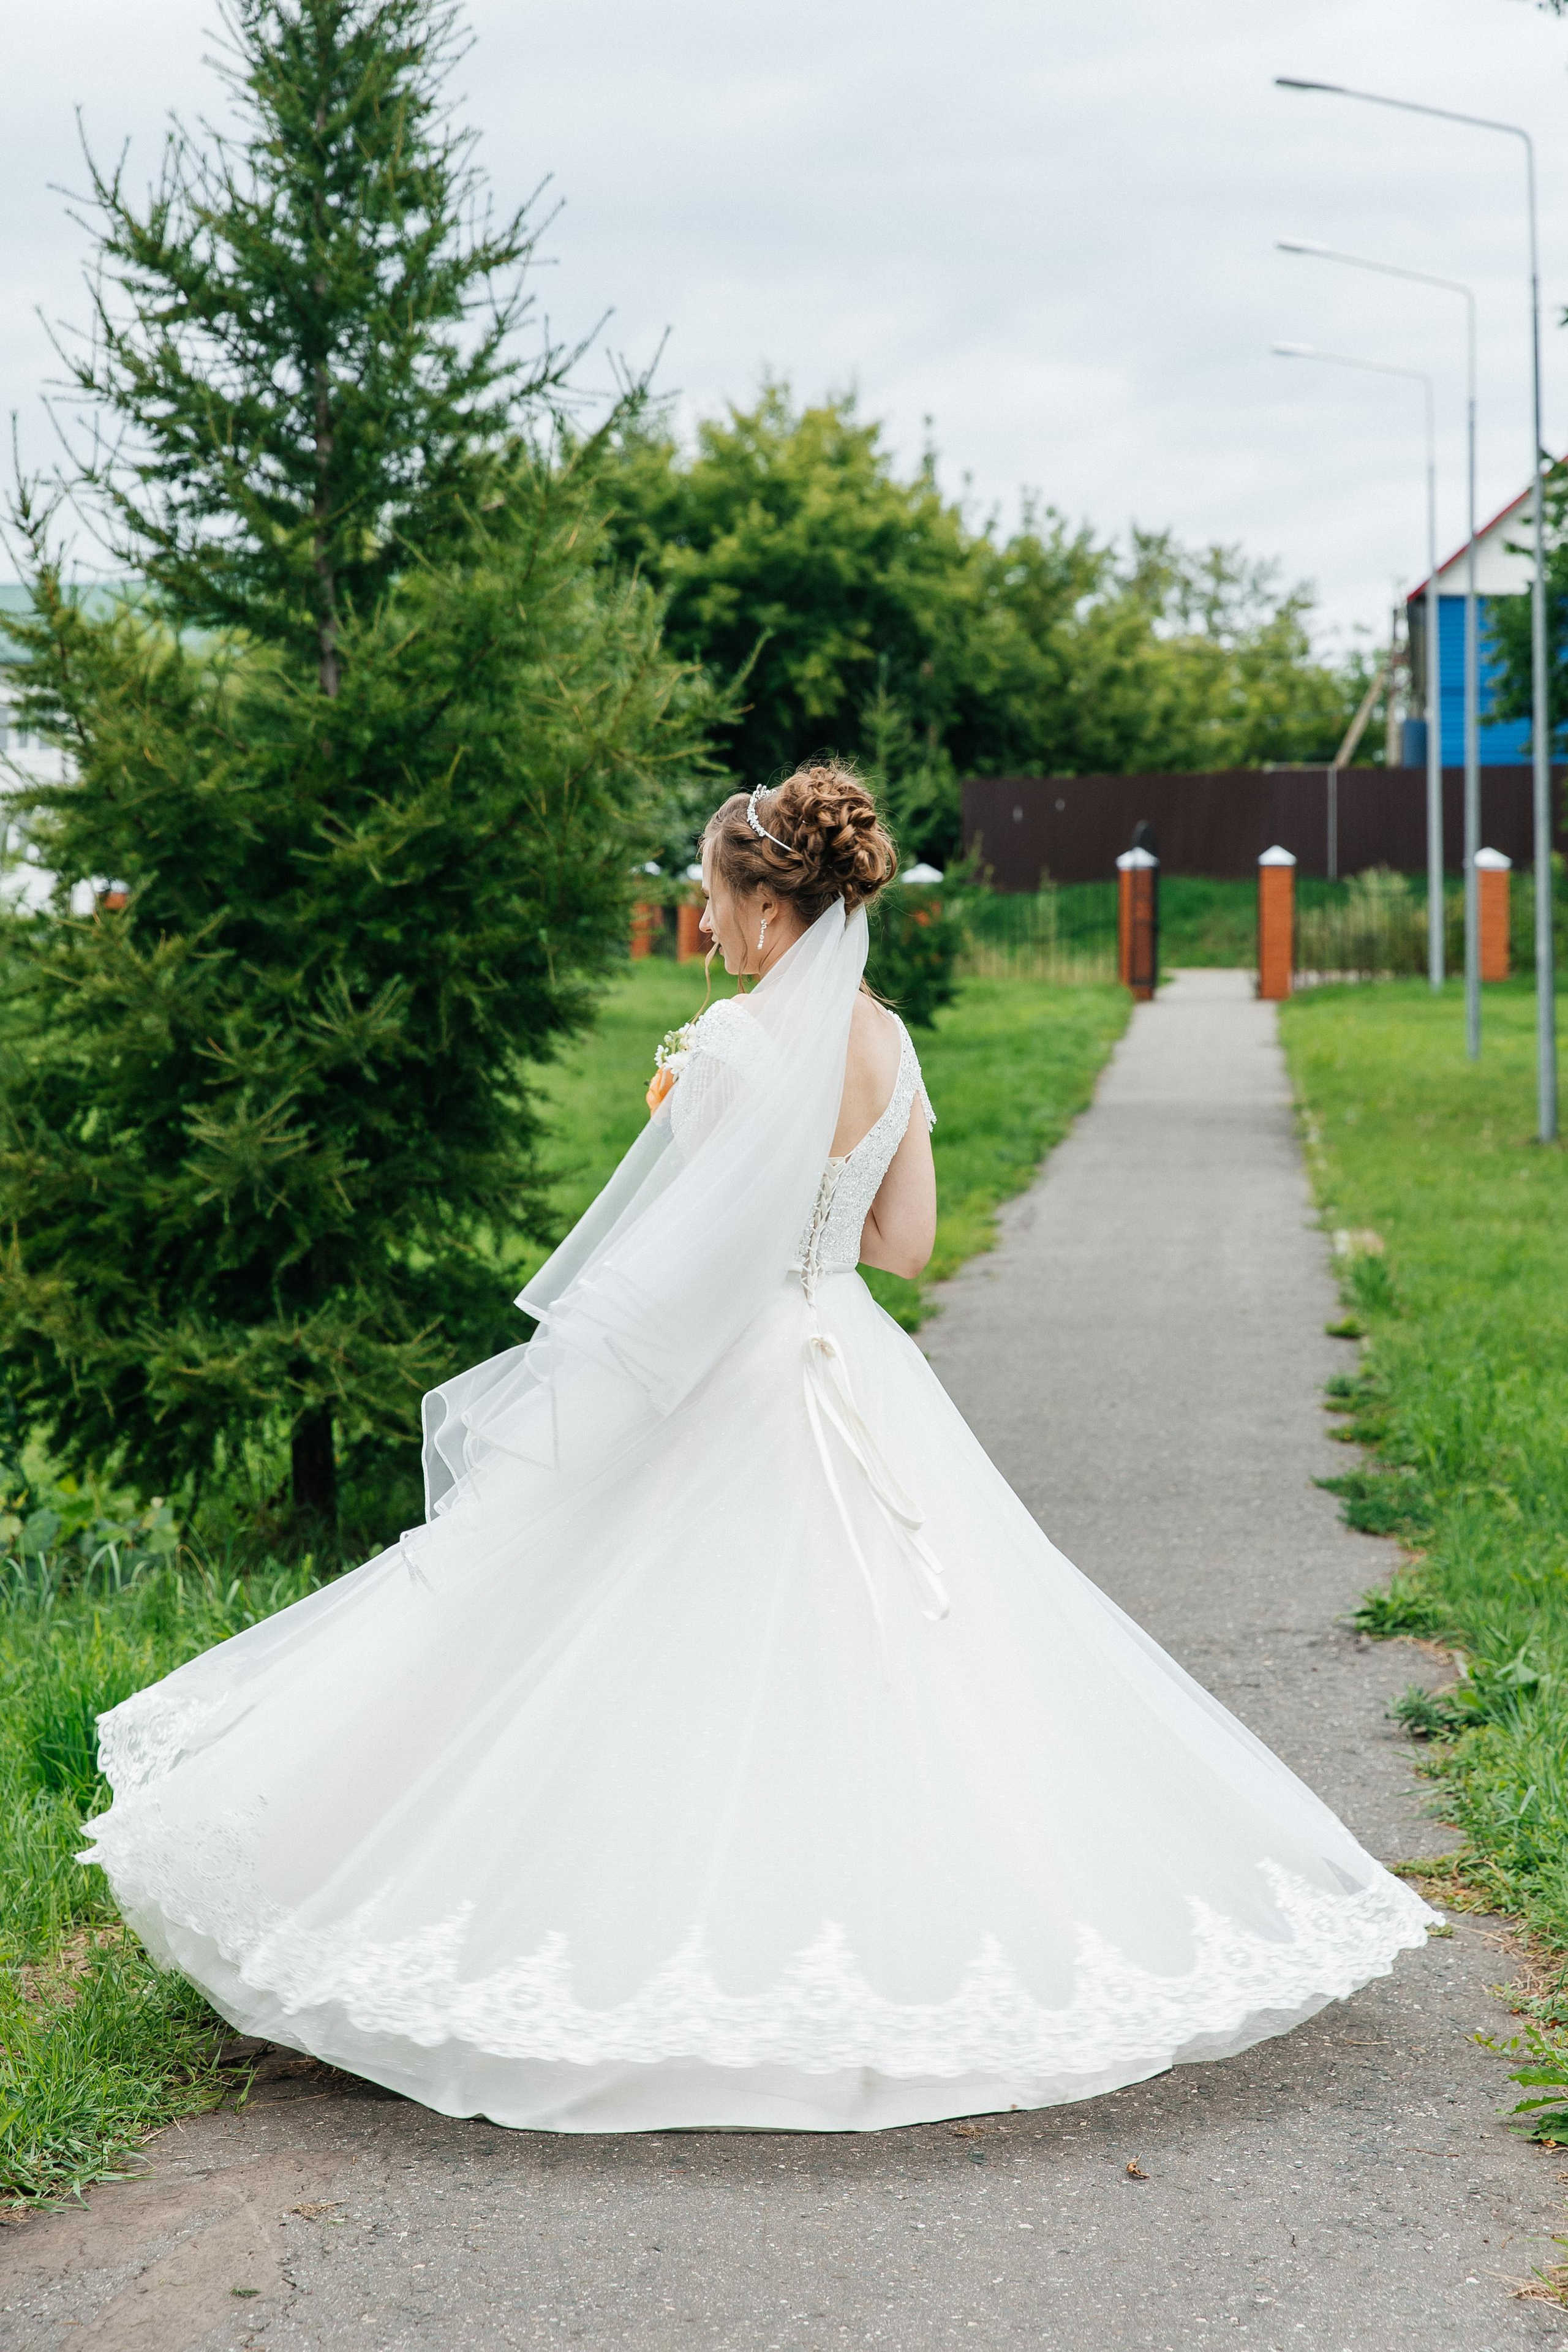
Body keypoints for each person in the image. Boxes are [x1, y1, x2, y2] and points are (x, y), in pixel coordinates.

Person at [81, 762, 1434, 2135]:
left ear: (771, 912)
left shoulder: (729, 1048)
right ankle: (895, 1934)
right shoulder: (889, 1042)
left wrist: (677, 1138)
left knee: (614, 1640)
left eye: (711, 897)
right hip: (850, 1355)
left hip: (739, 1369)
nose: (702, 923)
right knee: (904, 1655)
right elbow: (901, 1246)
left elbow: (675, 1267)